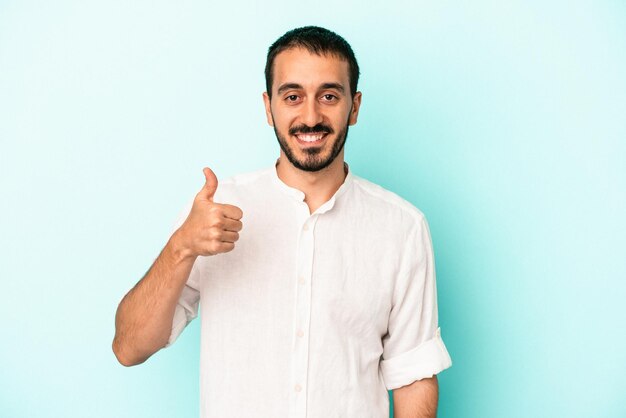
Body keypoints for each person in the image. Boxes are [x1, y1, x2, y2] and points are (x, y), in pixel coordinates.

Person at [113, 25, 452, 418]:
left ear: (354, 107)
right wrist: (181, 248)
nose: (311, 116)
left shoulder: (402, 227)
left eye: (328, 96)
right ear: (268, 106)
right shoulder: (213, 212)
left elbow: (413, 376)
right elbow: (129, 347)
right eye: (293, 96)